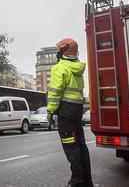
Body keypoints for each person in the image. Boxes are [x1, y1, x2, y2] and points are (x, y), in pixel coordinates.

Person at [47, 38, 92, 187]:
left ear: (62, 51)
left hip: (65, 112)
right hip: (77, 110)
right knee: (81, 146)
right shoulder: (77, 68)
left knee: (71, 147)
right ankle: (86, 181)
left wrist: (50, 111)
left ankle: (77, 182)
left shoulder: (59, 68)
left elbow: (55, 92)